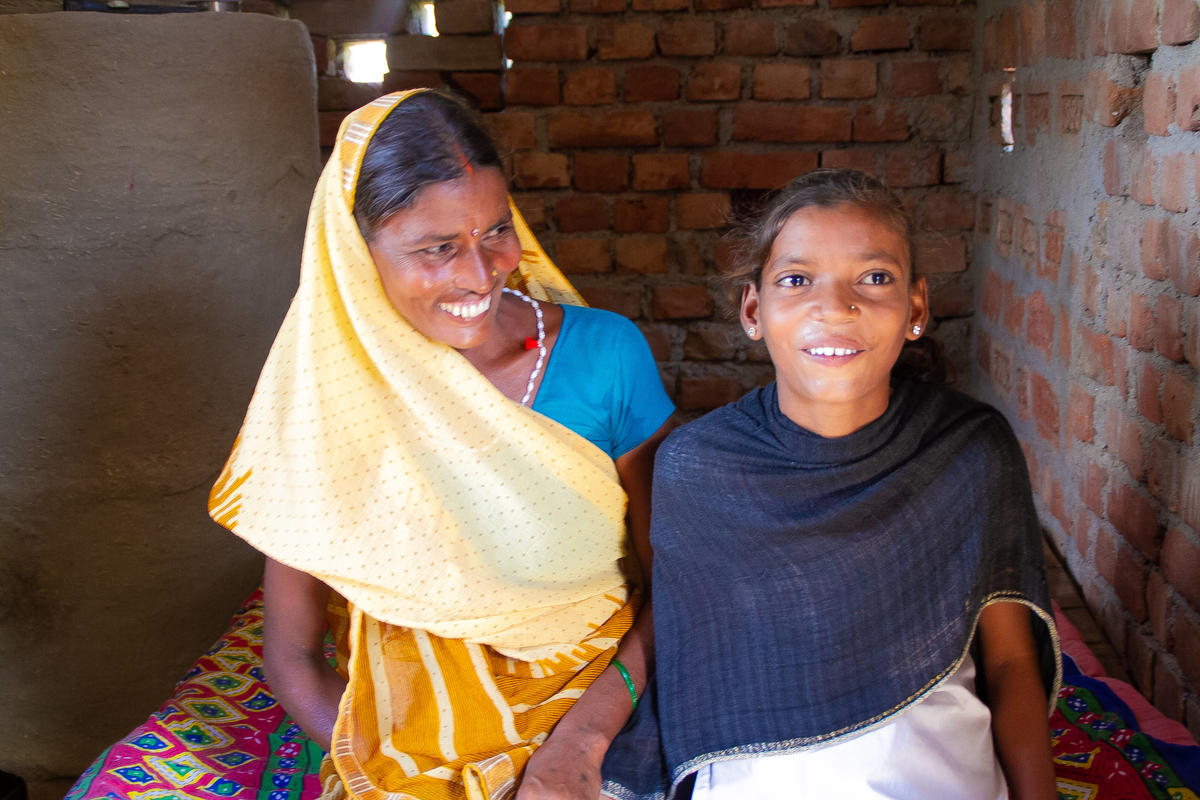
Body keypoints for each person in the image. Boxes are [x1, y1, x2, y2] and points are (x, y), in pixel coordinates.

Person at [209, 89, 673, 800]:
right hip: (407, 757)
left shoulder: (606, 356)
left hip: (600, 723)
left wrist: (580, 743)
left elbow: (676, 586)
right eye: (437, 248)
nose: (480, 273)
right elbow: (295, 661)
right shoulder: (324, 403)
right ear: (355, 255)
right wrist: (396, 775)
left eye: (497, 230)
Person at [601, 168, 1061, 800]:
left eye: (874, 278)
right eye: (796, 280)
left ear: (916, 309)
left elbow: (1010, 663)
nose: (835, 307)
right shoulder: (699, 468)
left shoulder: (968, 450)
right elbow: (689, 673)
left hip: (935, 778)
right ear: (754, 310)